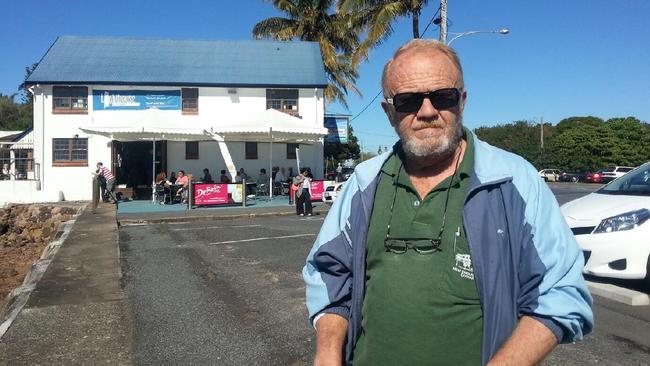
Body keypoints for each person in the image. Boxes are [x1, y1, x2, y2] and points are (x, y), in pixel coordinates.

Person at [303, 39, 593, 366]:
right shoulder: (365, 181)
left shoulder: (514, 181)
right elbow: (328, 273)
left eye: (443, 97)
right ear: (388, 112)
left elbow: (561, 293)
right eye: (408, 101)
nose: (427, 111)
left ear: (462, 101)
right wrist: (327, 353)